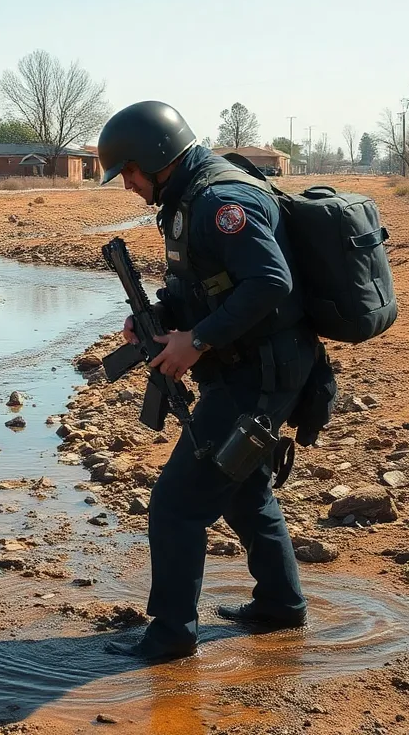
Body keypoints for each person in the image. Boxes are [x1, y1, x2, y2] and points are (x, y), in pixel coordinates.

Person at [97, 101, 317, 663]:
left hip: (261, 373)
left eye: (127, 171)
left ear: (156, 158)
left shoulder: (221, 201)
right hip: (245, 366)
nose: (126, 185)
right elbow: (208, 281)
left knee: (176, 504)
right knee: (243, 491)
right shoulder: (184, 198)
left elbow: (270, 281)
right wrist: (164, 318)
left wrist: (195, 341)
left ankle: (171, 635)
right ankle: (281, 605)